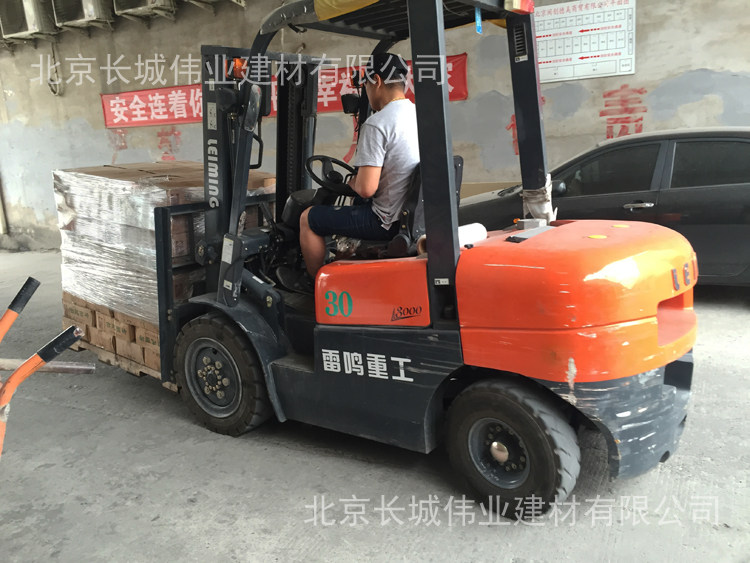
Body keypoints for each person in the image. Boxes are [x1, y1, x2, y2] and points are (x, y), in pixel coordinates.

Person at [292, 52, 420, 290]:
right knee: (355, 207)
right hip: (412, 216)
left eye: (366, 85)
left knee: (308, 218)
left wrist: (351, 183)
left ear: (377, 81)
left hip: (385, 221)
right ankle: (345, 259)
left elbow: (366, 188)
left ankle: (317, 287)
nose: (367, 92)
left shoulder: (378, 123)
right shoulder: (418, 116)